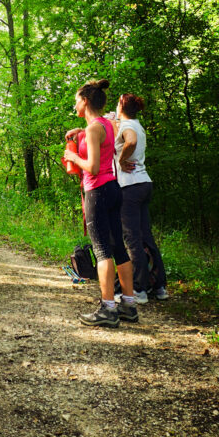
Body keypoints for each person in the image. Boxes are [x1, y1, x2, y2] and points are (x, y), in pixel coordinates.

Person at [64, 79, 138, 328]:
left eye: (76, 100)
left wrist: (74, 156)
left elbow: (93, 167)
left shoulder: (95, 128)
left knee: (102, 251)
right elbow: (102, 131)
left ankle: (108, 309)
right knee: (119, 249)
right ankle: (129, 305)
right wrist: (80, 132)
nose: (75, 104)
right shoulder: (107, 123)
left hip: (97, 191)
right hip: (114, 188)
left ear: (85, 101)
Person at [114, 93, 168, 302]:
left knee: (132, 239)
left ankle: (139, 289)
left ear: (122, 105)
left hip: (130, 186)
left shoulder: (128, 126)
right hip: (144, 183)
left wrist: (120, 160)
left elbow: (131, 141)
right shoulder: (135, 123)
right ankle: (159, 286)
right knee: (146, 236)